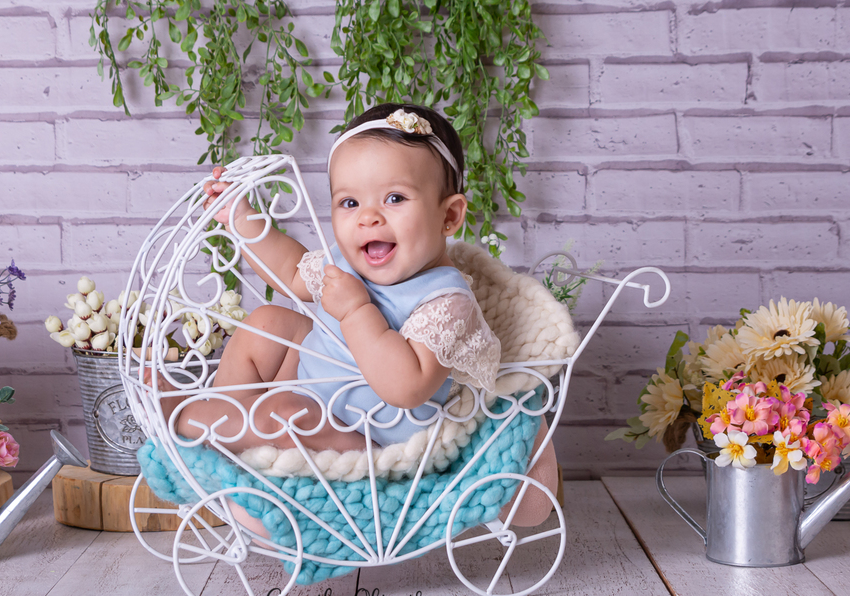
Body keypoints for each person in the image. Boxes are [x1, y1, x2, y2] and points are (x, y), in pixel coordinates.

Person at [161, 102, 558, 526]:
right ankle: (228, 418)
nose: (368, 217)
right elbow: (291, 272)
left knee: (285, 412)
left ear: (449, 216)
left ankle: (194, 421)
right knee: (268, 323)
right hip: (315, 388)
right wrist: (242, 220)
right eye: (349, 202)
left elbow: (405, 387)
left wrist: (356, 310)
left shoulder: (447, 302)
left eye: (394, 198)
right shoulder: (352, 262)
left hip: (369, 442)